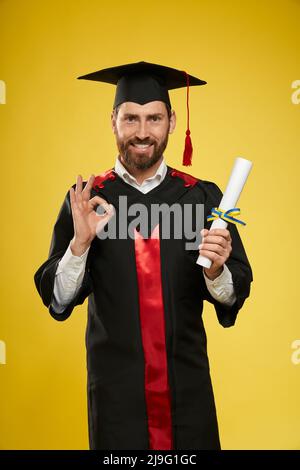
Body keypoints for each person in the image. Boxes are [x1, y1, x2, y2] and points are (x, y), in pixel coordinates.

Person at [34, 61, 253, 450]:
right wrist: (79, 244)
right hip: (117, 397)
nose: (142, 132)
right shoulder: (87, 199)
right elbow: (58, 299)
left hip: (187, 390)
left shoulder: (201, 197)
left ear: (171, 121)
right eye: (130, 118)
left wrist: (217, 270)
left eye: (153, 118)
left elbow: (234, 293)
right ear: (113, 120)